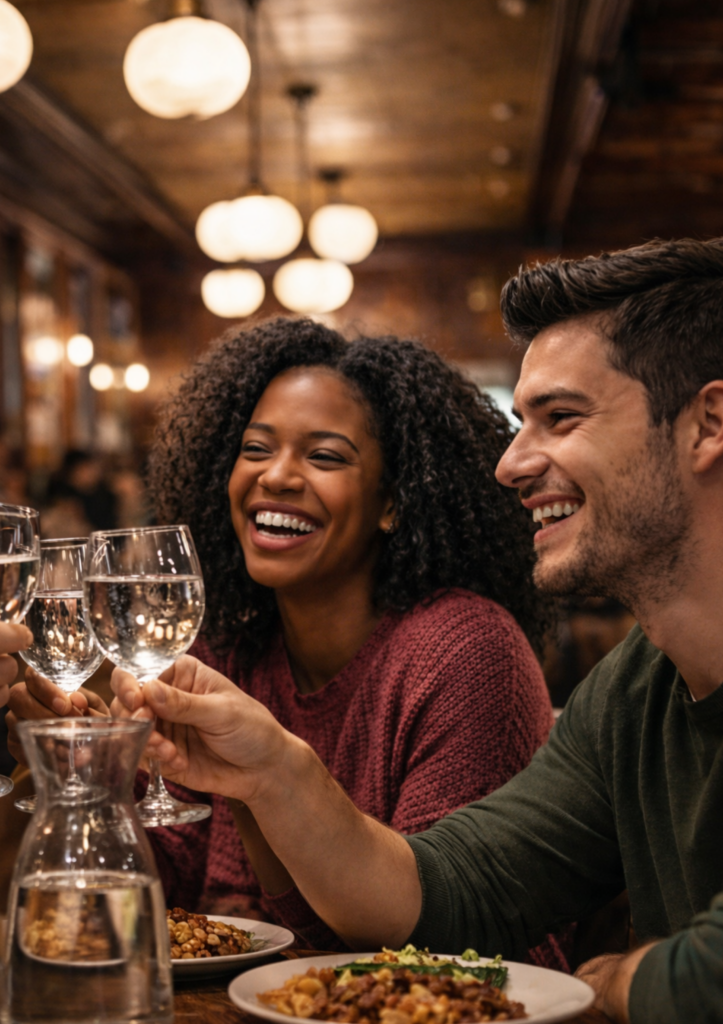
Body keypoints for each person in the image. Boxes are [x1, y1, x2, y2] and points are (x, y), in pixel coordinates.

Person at [92, 238, 723, 1024]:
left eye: (560, 418)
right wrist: (274, 772)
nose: (511, 464)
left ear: (709, 422)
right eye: (520, 422)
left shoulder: (464, 647)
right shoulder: (636, 685)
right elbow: (458, 886)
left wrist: (619, 984)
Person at [8, 319, 566, 965]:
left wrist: (269, 788)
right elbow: (159, 898)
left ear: (393, 501)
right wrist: (81, 779)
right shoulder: (226, 652)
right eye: (254, 449)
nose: (275, 477)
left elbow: (439, 945)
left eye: (324, 456)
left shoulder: (463, 653)